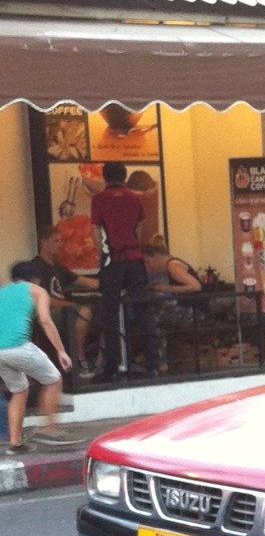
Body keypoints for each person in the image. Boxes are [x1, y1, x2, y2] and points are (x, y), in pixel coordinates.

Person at [0, 263, 73, 455]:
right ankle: (48, 429)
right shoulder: (38, 291)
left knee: (19, 390)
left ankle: (15, 443)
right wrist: (61, 351)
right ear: (36, 278)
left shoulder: (2, 292)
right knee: (54, 379)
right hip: (19, 346)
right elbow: (46, 321)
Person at [90, 161, 151, 382]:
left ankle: (111, 366)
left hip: (113, 260)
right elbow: (140, 229)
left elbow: (96, 232)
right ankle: (153, 361)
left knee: (110, 315)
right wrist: (135, 248)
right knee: (142, 309)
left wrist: (102, 255)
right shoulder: (136, 199)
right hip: (134, 259)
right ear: (124, 177)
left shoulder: (99, 200)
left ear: (105, 177)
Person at [25, 223, 99, 377]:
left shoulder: (59, 268)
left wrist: (114, 283)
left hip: (64, 312)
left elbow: (86, 282)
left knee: (107, 314)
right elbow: (41, 300)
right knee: (83, 312)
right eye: (56, 241)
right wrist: (70, 304)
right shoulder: (35, 267)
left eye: (61, 241)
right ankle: (79, 359)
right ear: (44, 242)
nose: (61, 245)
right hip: (45, 316)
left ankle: (101, 363)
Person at [142, 239, 205, 375]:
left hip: (196, 311)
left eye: (148, 261)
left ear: (156, 256)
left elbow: (196, 286)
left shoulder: (173, 267)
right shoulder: (173, 265)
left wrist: (166, 288)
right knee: (157, 316)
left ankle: (159, 363)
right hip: (192, 308)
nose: (148, 266)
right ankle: (160, 359)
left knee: (152, 318)